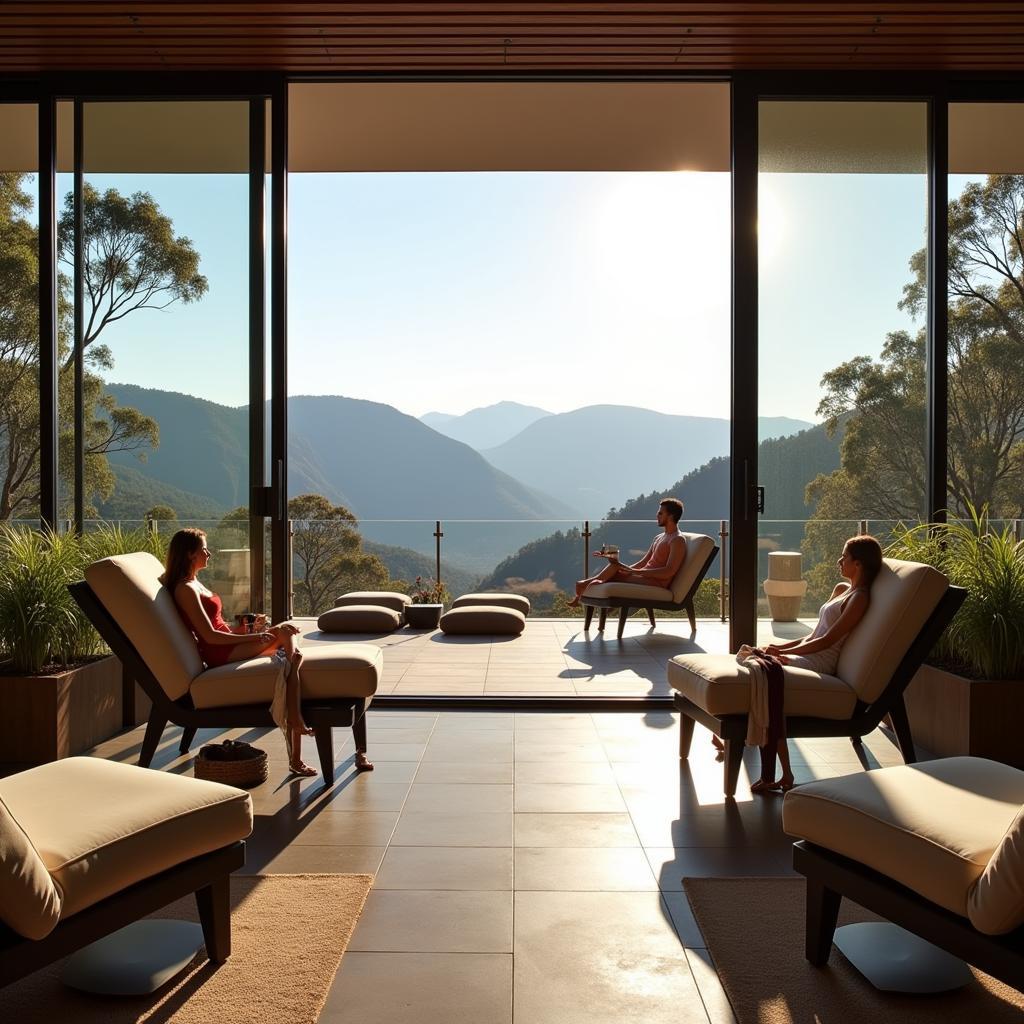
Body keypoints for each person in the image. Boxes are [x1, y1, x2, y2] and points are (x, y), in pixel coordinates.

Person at [164, 528, 371, 776]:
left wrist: (246, 628)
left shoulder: (194, 582)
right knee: (286, 635)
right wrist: (257, 636)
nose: (209, 553)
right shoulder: (185, 589)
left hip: (228, 643)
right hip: (219, 653)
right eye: (203, 549)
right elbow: (209, 636)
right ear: (189, 554)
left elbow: (220, 626)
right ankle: (294, 714)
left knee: (289, 641)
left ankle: (293, 681)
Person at [747, 534, 883, 795]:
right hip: (809, 652)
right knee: (759, 660)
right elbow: (813, 633)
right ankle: (782, 772)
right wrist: (780, 648)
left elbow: (826, 641)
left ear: (859, 564)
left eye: (845, 556)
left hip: (820, 662)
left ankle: (781, 772)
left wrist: (786, 655)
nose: (839, 560)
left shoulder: (859, 599)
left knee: (767, 674)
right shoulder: (843, 590)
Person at [568, 497, 689, 608]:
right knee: (614, 566)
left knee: (612, 573)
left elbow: (669, 571)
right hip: (643, 576)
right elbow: (644, 562)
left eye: (660, 513)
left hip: (656, 582)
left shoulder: (677, 540)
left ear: (671, 516)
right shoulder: (659, 537)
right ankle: (586, 586)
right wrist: (626, 569)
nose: (657, 515)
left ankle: (583, 588)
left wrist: (636, 572)